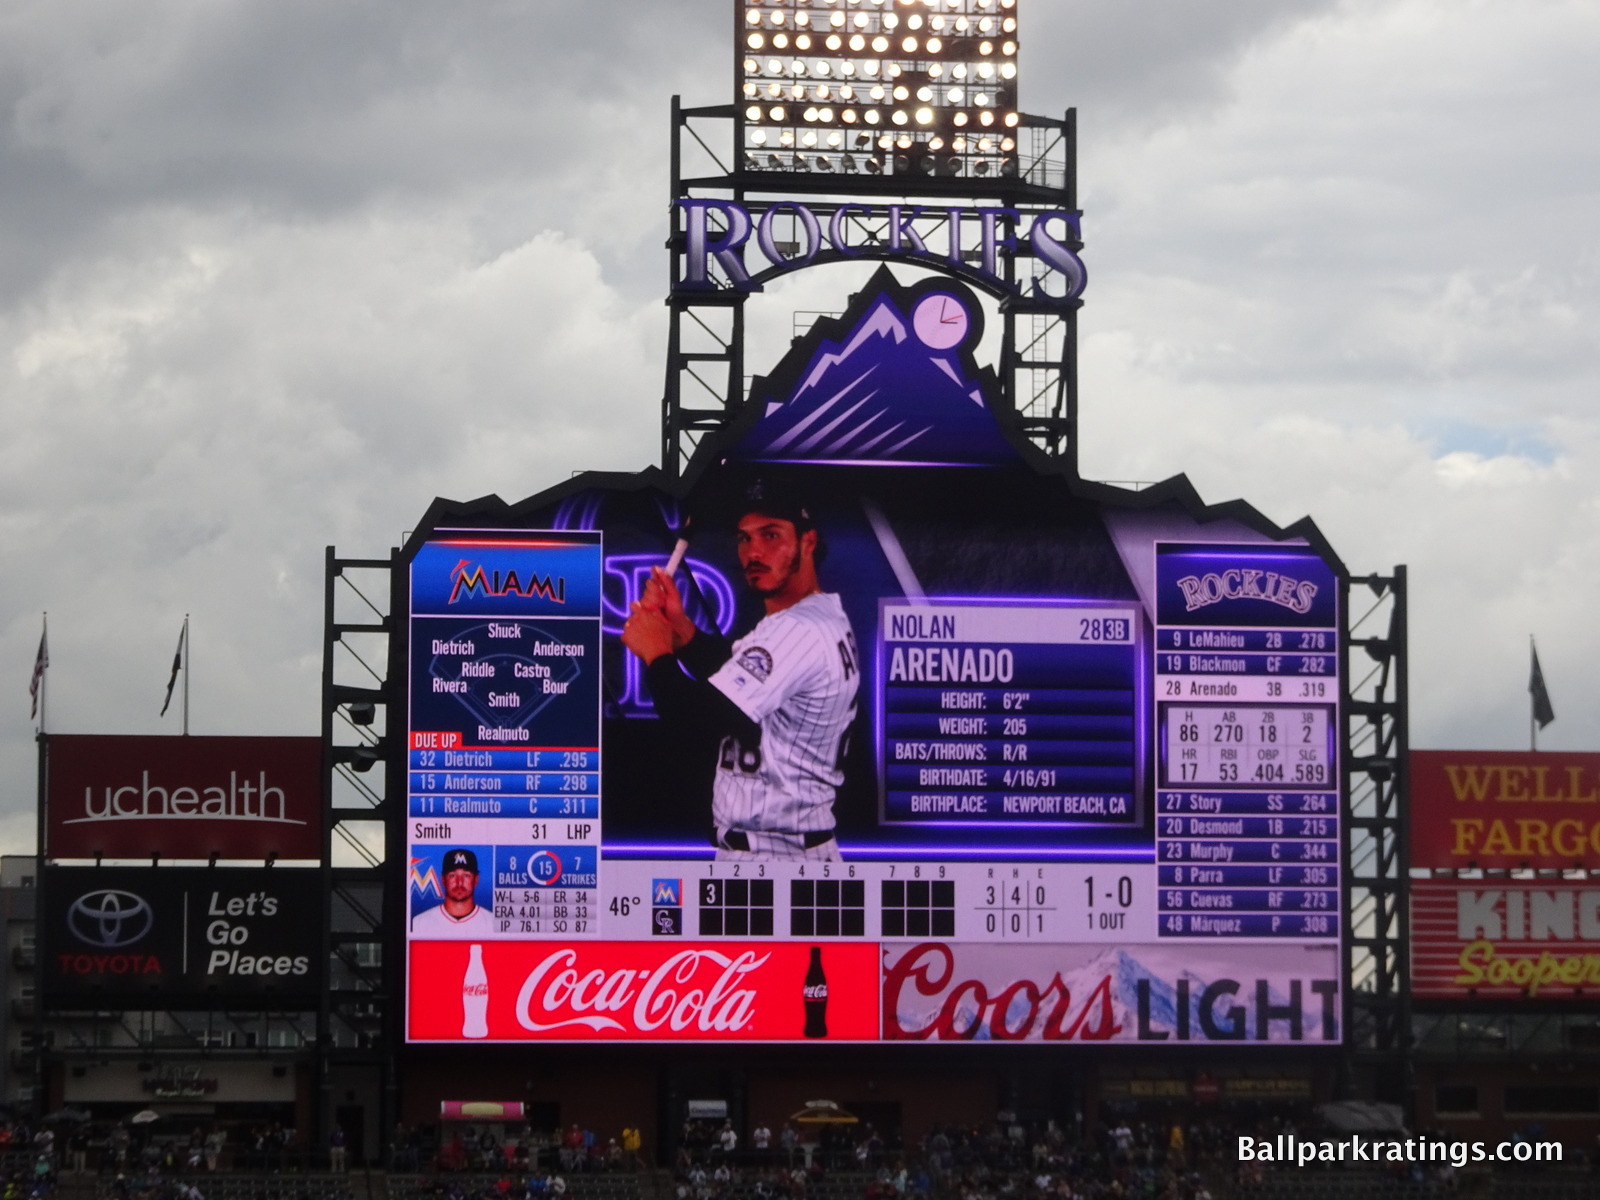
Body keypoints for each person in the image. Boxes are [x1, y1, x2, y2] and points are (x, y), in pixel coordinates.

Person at [621, 481, 859, 861]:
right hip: (779, 850)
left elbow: (700, 719)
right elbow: (738, 683)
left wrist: (656, 652)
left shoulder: (798, 631)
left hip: (780, 857)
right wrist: (683, 633)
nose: (754, 552)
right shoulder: (812, 615)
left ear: (808, 541)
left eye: (771, 535)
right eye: (745, 539)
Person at [411, 848, 491, 935]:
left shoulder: (491, 923)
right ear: (443, 880)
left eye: (466, 875)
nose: (459, 882)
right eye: (452, 875)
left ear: (476, 879)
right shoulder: (420, 923)